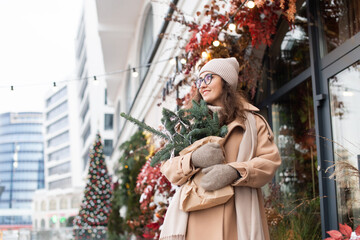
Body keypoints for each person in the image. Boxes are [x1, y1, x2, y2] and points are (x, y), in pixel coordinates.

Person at [159, 57, 281, 240]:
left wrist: (233, 171)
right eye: (200, 80)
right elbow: (169, 167)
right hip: (193, 215)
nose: (202, 85)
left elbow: (270, 161)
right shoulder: (188, 123)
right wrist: (192, 159)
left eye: (209, 78)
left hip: (237, 217)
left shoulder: (253, 123)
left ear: (226, 82)